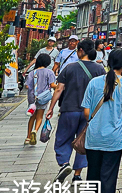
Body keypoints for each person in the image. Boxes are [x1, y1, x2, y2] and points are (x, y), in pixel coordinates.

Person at [79, 48, 122, 193]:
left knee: (92, 176)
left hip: (94, 137)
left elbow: (86, 111)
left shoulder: (94, 83)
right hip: (114, 138)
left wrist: (95, 122)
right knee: (108, 178)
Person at [44, 38, 105, 184]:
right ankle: (77, 175)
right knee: (83, 141)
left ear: (81, 51)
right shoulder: (99, 70)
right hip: (89, 113)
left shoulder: (70, 68)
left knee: (63, 138)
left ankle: (64, 163)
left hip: (69, 109)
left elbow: (59, 89)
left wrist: (51, 108)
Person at [25, 53, 56, 145]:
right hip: (43, 98)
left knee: (32, 116)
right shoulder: (49, 72)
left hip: (32, 98)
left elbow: (27, 86)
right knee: (39, 116)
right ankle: (35, 130)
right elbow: (52, 85)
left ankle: (28, 137)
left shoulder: (32, 73)